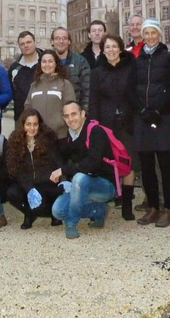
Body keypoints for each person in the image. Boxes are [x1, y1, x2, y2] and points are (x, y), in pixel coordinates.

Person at [131, 18, 170, 228]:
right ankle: (152, 207)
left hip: (163, 116)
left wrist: (158, 110)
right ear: (142, 36)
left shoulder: (169, 58)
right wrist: (142, 110)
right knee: (147, 165)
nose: (150, 37)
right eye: (146, 33)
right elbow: (131, 88)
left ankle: (167, 208)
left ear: (159, 34)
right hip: (143, 117)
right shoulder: (136, 60)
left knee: (166, 164)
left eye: (153, 33)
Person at [50, 102, 117, 240]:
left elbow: (92, 164)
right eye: (67, 116)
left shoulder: (96, 131)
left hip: (105, 186)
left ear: (82, 114)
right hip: (81, 186)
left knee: (79, 178)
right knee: (57, 210)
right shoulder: (69, 136)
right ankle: (99, 210)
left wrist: (63, 170)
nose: (71, 119)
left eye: (74, 114)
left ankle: (71, 223)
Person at [88, 34, 137, 221]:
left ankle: (127, 204)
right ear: (103, 50)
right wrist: (94, 124)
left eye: (114, 46)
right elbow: (93, 101)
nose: (111, 50)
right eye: (107, 47)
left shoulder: (131, 69)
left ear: (120, 48)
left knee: (129, 161)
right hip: (106, 123)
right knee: (110, 161)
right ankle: (112, 197)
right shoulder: (97, 72)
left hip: (127, 121)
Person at [5, 109, 63, 229]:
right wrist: (29, 188)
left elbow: (58, 162)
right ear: (22, 125)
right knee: (12, 193)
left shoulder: (47, 139)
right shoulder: (15, 141)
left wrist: (64, 179)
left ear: (39, 125)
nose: (32, 128)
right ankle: (29, 213)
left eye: (35, 124)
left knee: (41, 205)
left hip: (46, 183)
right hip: (28, 183)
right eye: (28, 124)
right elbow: (16, 169)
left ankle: (54, 212)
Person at [25, 50, 76, 140]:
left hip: (59, 136)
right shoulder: (34, 85)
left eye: (50, 61)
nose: (47, 64)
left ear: (56, 64)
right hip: (37, 136)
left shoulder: (65, 84)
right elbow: (28, 107)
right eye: (44, 61)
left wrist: (59, 123)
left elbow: (71, 108)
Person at [50, 27, 90, 109]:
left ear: (69, 41)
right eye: (57, 38)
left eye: (64, 38)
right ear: (52, 41)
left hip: (74, 114)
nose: (61, 41)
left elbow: (87, 91)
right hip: (52, 113)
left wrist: (84, 111)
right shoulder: (46, 63)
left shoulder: (80, 62)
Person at [8, 31, 42, 122]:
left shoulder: (46, 64)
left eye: (29, 42)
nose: (26, 45)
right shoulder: (14, 68)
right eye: (22, 44)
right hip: (21, 119)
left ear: (35, 43)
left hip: (43, 118)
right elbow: (9, 92)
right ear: (19, 47)